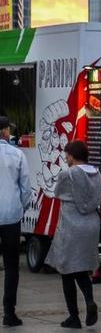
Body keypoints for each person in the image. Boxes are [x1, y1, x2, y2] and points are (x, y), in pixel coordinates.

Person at [46, 140, 101, 329]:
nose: (65, 158)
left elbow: (57, 193)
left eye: (66, 155)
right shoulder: (97, 174)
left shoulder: (67, 175)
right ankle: (89, 300)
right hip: (91, 224)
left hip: (71, 225)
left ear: (71, 156)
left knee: (66, 270)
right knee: (81, 267)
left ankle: (74, 316)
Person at [0, 117, 31, 327]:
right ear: (4, 132)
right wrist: (22, 207)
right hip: (10, 216)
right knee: (12, 266)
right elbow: (26, 188)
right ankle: (9, 313)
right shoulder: (17, 154)